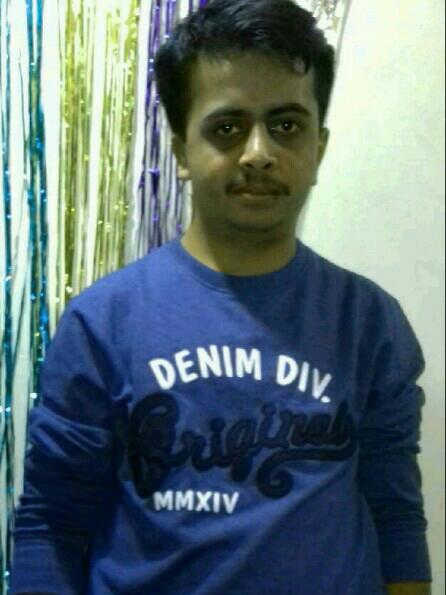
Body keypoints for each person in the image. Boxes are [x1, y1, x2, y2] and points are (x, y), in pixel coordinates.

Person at [10, 1, 432, 594]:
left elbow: (396, 516)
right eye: (228, 128)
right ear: (182, 151)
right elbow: (52, 524)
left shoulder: (369, 322)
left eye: (286, 125)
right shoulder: (102, 323)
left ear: (319, 147)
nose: (259, 152)